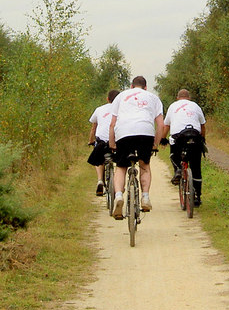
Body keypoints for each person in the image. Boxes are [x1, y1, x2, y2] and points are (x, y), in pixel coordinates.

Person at [108, 76, 164, 219]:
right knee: (144, 165)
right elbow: (161, 125)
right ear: (146, 87)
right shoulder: (153, 98)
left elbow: (112, 124)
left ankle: (119, 196)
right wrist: (155, 144)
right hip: (145, 132)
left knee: (121, 167)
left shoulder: (121, 96)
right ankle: (145, 197)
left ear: (131, 86)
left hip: (124, 133)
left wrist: (112, 144)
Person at [162, 89, 206, 205]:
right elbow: (202, 125)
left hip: (178, 137)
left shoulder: (173, 106)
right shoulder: (195, 106)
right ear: (189, 98)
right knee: (196, 166)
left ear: (178, 98)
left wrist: (163, 139)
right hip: (194, 135)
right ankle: (197, 196)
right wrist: (203, 139)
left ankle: (178, 170)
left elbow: (166, 125)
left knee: (174, 155)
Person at [87, 89, 120, 196]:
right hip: (116, 142)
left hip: (102, 142)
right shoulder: (122, 110)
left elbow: (93, 128)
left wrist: (91, 141)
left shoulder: (99, 109)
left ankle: (100, 180)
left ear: (107, 99)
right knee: (121, 163)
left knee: (98, 159)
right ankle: (119, 183)